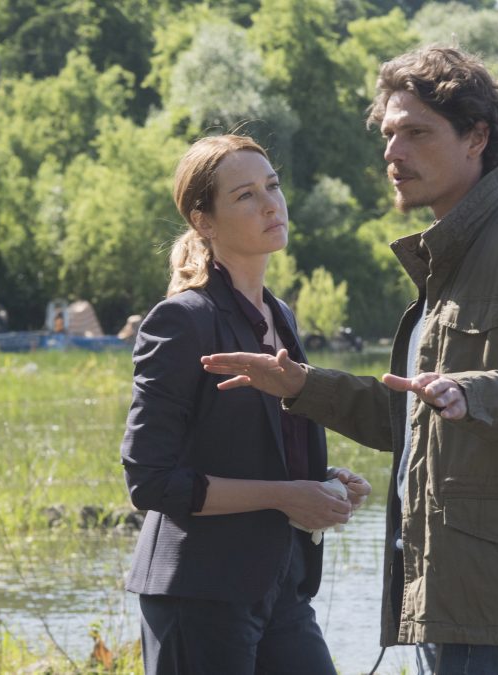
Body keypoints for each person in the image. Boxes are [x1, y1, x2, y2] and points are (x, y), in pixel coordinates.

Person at [201, 46, 498, 674]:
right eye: (388, 134)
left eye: (416, 133)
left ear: (476, 137)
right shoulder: (448, 257)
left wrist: (474, 391)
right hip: (447, 580)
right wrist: (301, 386)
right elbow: (410, 414)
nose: (393, 153)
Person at [121, 134, 372, 675]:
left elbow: (251, 449)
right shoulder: (181, 320)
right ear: (203, 221)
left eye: (272, 186)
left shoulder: (281, 316)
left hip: (282, 586)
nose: (270, 204)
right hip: (199, 592)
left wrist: (322, 483)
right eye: (245, 195)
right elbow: (151, 482)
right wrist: (286, 496)